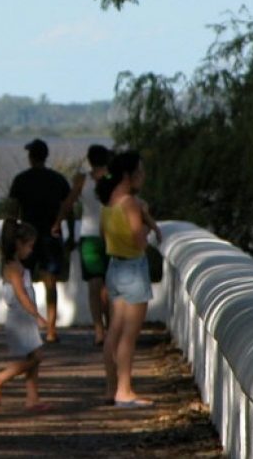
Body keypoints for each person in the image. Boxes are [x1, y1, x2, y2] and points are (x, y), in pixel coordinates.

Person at [95, 150, 162, 408]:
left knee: (114, 331)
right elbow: (139, 240)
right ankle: (125, 391)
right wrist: (148, 225)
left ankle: (111, 388)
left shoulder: (110, 203)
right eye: (140, 171)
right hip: (133, 268)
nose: (143, 176)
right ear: (128, 175)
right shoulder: (131, 203)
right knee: (129, 336)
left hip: (115, 268)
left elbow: (104, 236)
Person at [0, 219, 50, 412]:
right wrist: (37, 316)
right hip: (21, 318)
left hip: (24, 317)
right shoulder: (13, 268)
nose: (31, 250)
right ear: (18, 244)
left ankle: (32, 398)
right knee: (36, 358)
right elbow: (21, 295)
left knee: (34, 357)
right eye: (29, 246)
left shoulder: (18, 265)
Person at [8, 138, 73, 343]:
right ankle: (51, 330)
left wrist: (11, 237)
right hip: (51, 236)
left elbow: (12, 212)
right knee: (50, 283)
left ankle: (28, 326)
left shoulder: (21, 180)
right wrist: (69, 233)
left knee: (24, 283)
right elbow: (68, 209)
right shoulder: (58, 179)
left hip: (27, 237)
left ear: (31, 157)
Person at [52, 144, 111, 347]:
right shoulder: (113, 179)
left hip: (89, 235)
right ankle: (109, 327)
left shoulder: (82, 179)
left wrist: (58, 222)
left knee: (95, 285)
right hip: (111, 235)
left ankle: (99, 331)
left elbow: (68, 203)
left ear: (89, 159)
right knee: (107, 285)